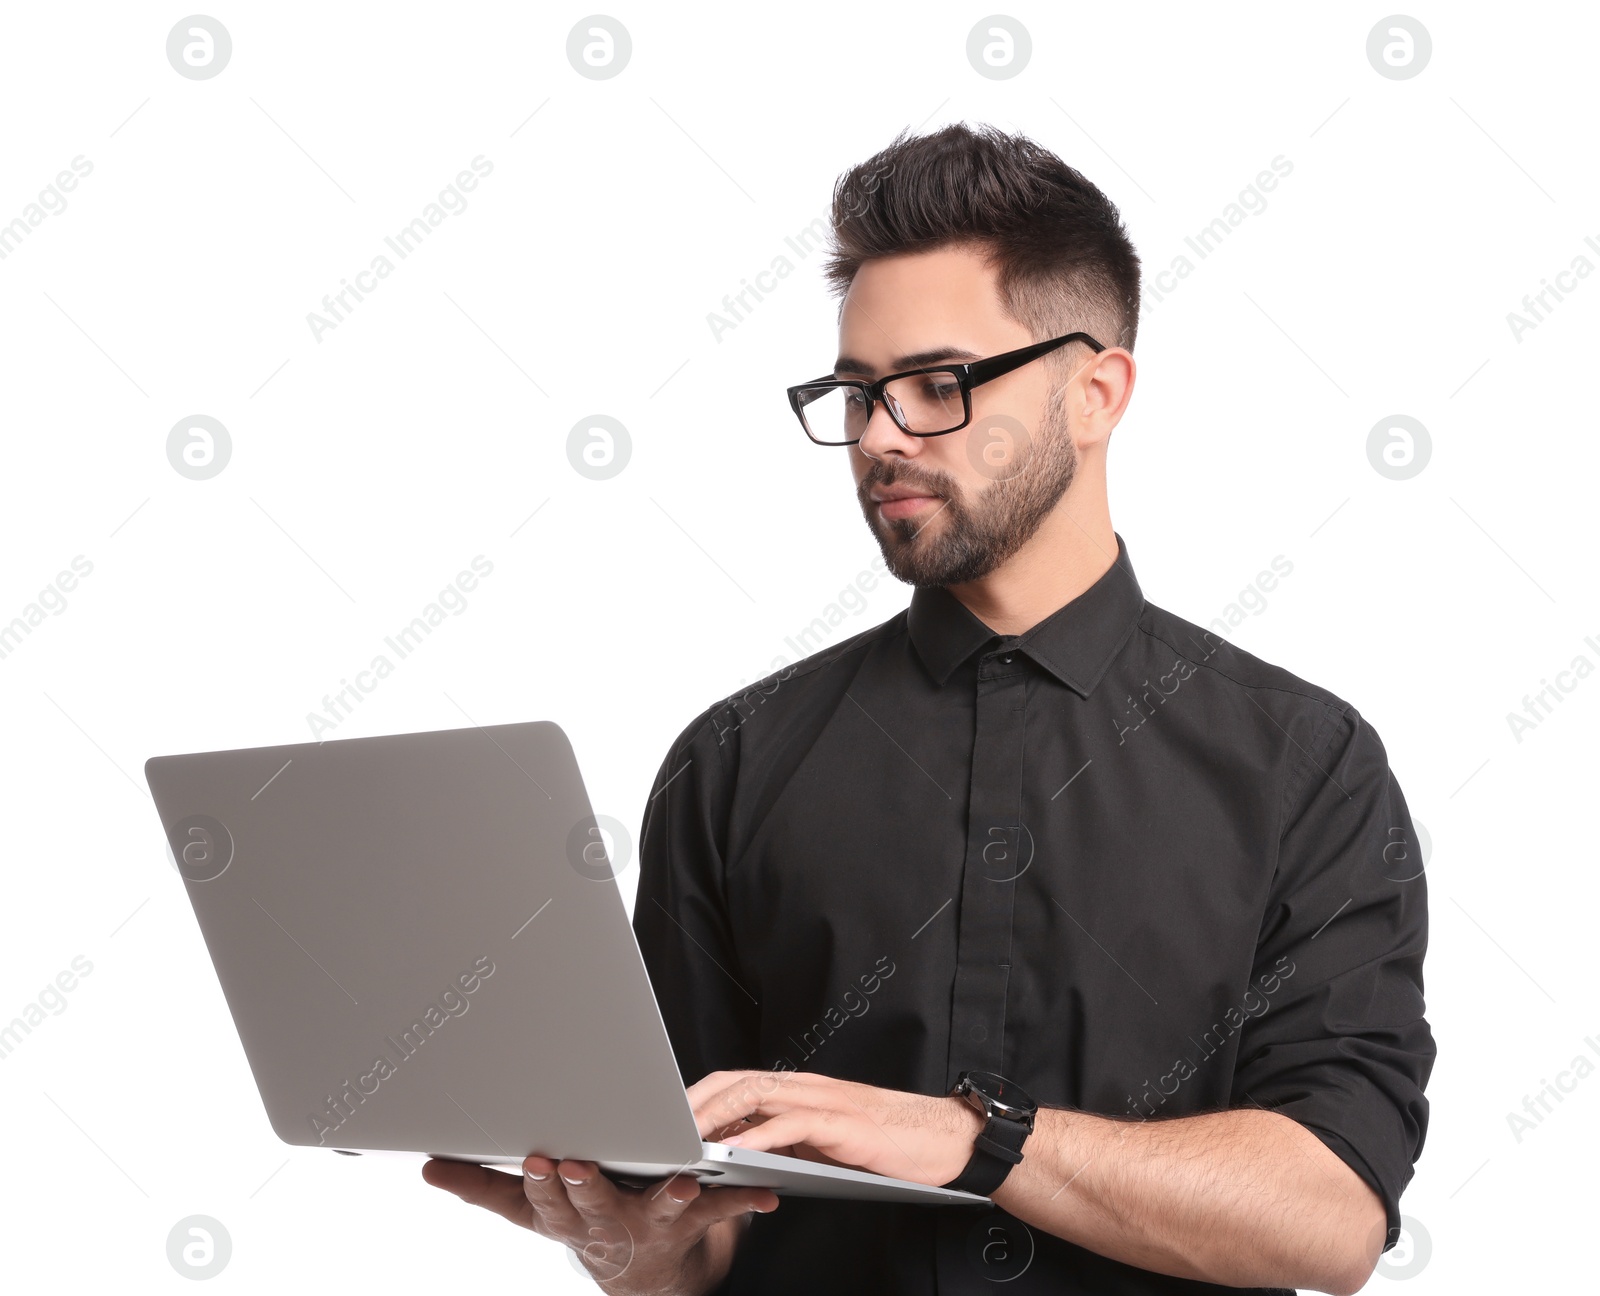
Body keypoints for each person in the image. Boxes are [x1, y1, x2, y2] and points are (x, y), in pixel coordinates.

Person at [423, 122, 1434, 1296]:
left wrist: (975, 1140)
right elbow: (697, 1227)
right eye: (855, 394)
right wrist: (634, 1249)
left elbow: (1328, 1218)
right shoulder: (734, 765)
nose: (882, 438)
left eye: (938, 386)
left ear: (1095, 392)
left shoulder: (1303, 766)